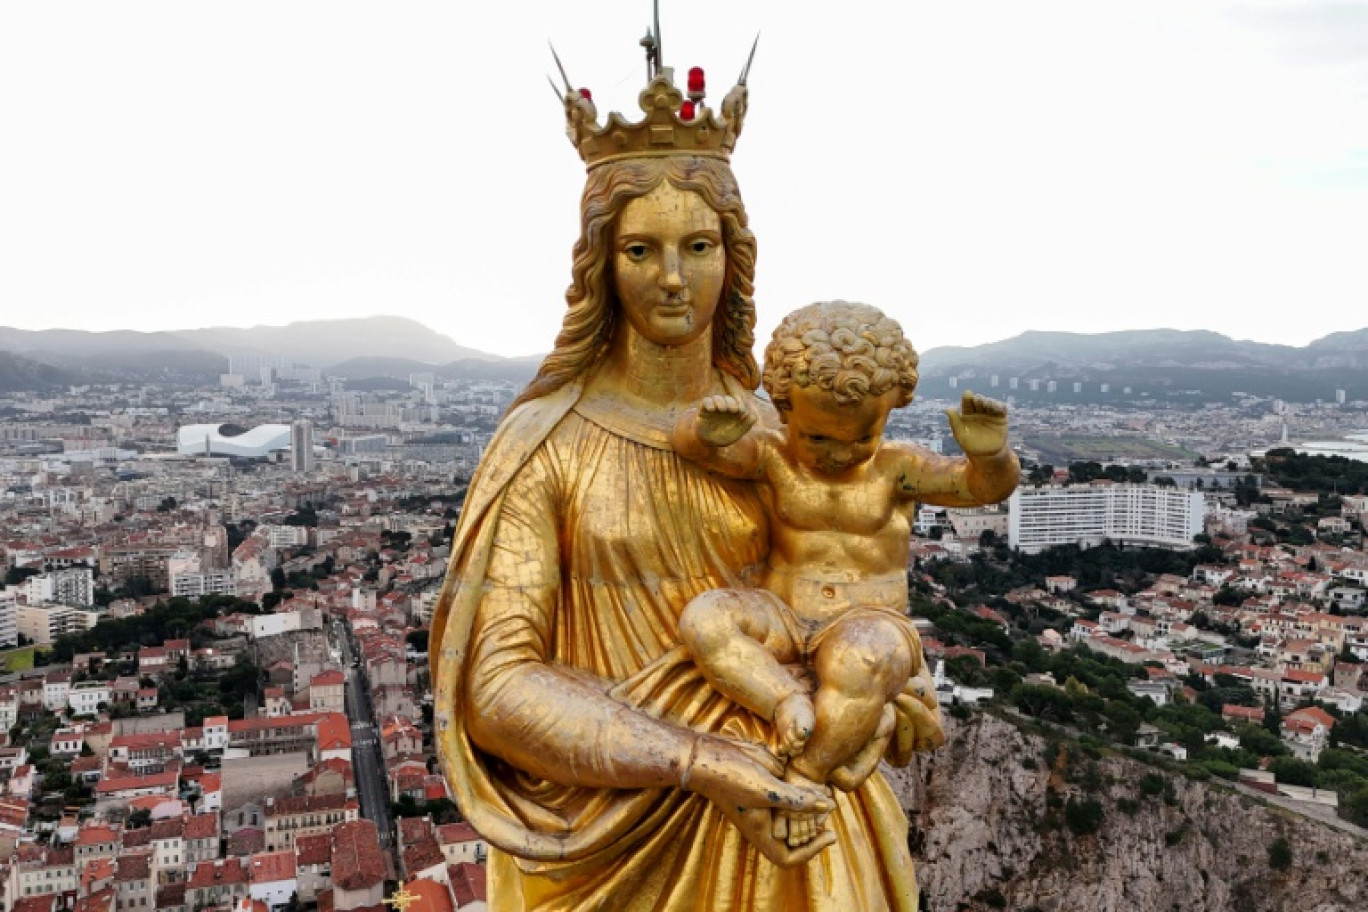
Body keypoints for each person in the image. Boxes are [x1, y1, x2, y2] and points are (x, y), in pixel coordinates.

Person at [431, 70, 945, 911]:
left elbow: (851, 596)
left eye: (698, 247)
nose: (673, 277)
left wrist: (884, 690)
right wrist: (697, 760)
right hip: (619, 826)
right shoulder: (544, 445)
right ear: (603, 264)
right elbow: (495, 689)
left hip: (798, 822)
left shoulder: (791, 436)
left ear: (734, 257)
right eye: (641, 250)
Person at [671, 302, 1020, 847]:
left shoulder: (898, 466)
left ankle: (803, 779)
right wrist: (706, 431)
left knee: (866, 661)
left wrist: (992, 454)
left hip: (870, 621)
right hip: (783, 613)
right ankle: (783, 699)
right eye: (817, 439)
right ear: (784, 409)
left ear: (891, 411)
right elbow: (695, 450)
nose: (837, 454)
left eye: (859, 439)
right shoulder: (770, 454)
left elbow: (980, 488)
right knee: (704, 618)